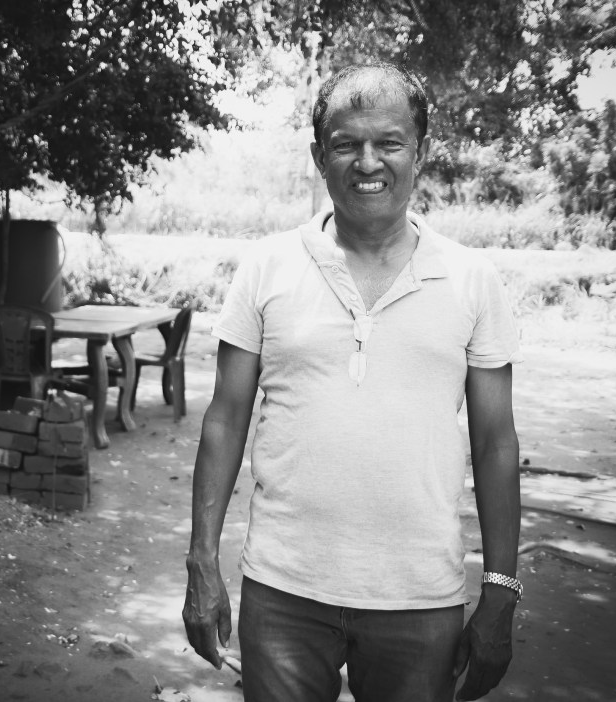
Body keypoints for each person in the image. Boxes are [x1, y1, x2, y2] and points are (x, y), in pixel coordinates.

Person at [182, 60, 523, 702]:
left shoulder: (473, 280)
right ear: (319, 156)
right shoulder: (266, 267)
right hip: (283, 590)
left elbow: (496, 442)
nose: (368, 163)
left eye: (389, 142)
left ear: (420, 152)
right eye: (346, 145)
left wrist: (500, 591)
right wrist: (202, 561)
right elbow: (224, 419)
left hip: (421, 597)